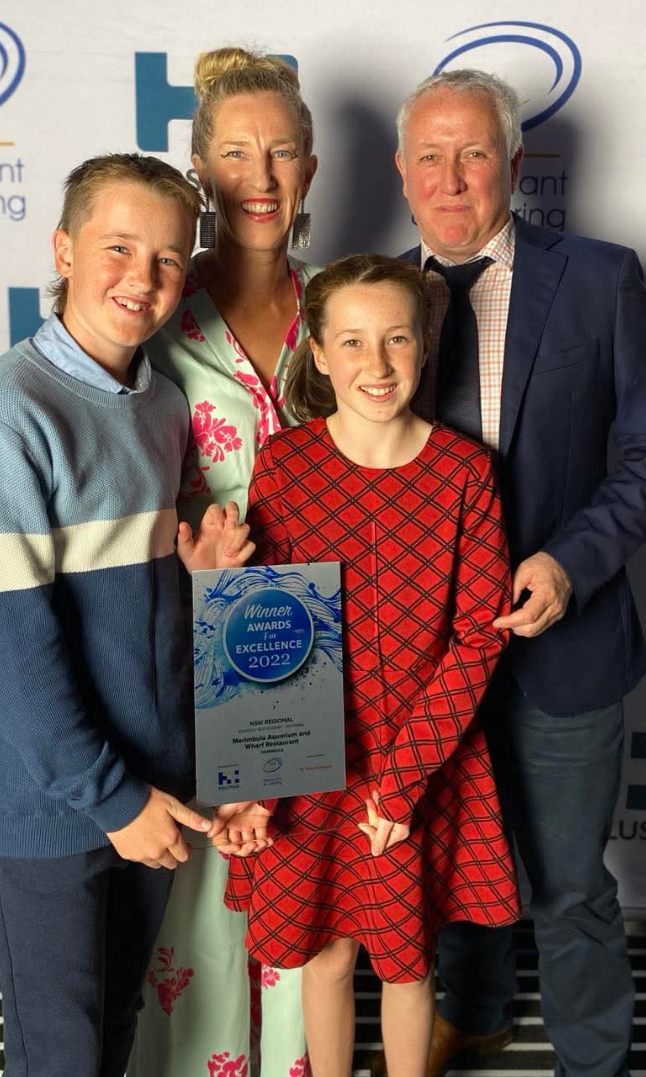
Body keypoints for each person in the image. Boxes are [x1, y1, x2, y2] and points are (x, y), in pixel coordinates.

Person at [372, 70, 646, 1077]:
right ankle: (471, 1015)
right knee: (448, 868)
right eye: (429, 155)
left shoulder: (599, 279)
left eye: (474, 154)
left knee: (567, 885)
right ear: (401, 170)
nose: (452, 177)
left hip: (562, 647)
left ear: (514, 165)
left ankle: (594, 1063)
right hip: (424, 662)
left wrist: (570, 561)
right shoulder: (370, 298)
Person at [0, 153, 255, 1077]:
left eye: (167, 259)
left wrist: (190, 583)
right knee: (60, 1052)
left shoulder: (156, 402)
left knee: (113, 1030)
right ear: (64, 248)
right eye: (118, 247)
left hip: (149, 780)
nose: (142, 279)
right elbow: (11, 649)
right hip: (60, 796)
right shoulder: (6, 414)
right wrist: (112, 800)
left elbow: (122, 609)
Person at [220, 254, 520, 1077]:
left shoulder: (465, 473)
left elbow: (478, 637)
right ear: (317, 353)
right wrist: (252, 774)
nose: (376, 364)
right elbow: (261, 630)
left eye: (396, 339)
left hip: (417, 761)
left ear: (425, 347)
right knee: (323, 954)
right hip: (310, 760)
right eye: (351, 342)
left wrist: (405, 777)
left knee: (405, 961)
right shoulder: (285, 464)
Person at [127, 47, 319, 1077]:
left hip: (322, 651)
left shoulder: (346, 309)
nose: (260, 175)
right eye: (236, 153)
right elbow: (95, 482)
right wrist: (182, 556)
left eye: (282, 152)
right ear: (200, 172)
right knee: (202, 877)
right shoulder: (151, 313)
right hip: (190, 642)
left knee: (298, 881)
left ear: (312, 173)